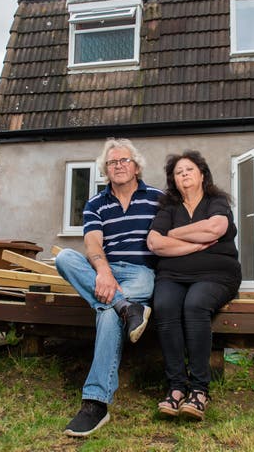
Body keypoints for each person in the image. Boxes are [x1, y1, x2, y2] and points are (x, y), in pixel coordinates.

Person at [55, 138, 163, 437]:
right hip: (106, 270)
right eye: (112, 162)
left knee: (106, 311)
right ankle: (127, 308)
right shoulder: (95, 202)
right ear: (106, 169)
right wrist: (103, 271)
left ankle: (95, 404)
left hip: (141, 272)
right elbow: (92, 242)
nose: (118, 166)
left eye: (124, 160)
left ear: (136, 165)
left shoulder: (157, 198)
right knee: (64, 257)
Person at [147, 150, 241, 421]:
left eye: (189, 169)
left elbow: (215, 229)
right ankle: (176, 387)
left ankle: (199, 390)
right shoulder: (168, 207)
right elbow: (154, 243)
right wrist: (196, 244)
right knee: (164, 305)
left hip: (216, 275)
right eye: (178, 172)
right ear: (173, 180)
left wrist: (174, 234)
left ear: (202, 174)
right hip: (172, 276)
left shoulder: (216, 201)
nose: (184, 174)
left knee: (195, 304)